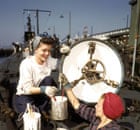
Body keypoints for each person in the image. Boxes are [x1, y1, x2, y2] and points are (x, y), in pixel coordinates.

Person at [60, 73, 125, 130]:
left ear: (106, 110)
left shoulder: (113, 128)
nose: (95, 106)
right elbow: (77, 105)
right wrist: (67, 86)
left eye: (98, 105)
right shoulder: (96, 117)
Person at [14, 36, 58, 114]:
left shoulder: (49, 61)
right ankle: (37, 110)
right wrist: (45, 89)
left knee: (49, 80)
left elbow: (62, 63)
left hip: (39, 95)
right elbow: (27, 89)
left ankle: (41, 109)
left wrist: (67, 53)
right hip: (25, 96)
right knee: (33, 116)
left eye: (49, 51)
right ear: (36, 49)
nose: (47, 54)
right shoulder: (27, 64)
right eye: (44, 50)